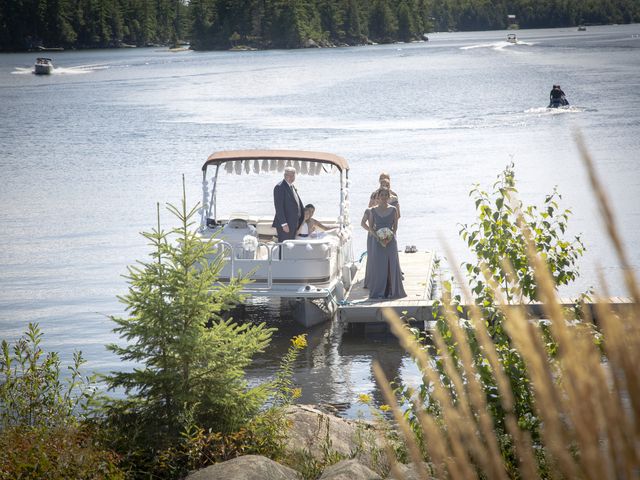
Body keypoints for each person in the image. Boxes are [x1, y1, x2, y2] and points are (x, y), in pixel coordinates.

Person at [362, 188, 406, 299]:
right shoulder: (372, 211)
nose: (384, 197)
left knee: (392, 265)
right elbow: (371, 228)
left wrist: (390, 237)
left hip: (391, 241)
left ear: (389, 196)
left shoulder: (393, 209)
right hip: (377, 241)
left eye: (386, 195)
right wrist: (379, 238)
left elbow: (395, 226)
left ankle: (393, 291)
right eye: (382, 195)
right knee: (379, 266)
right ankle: (379, 292)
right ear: (378, 197)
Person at [272, 166, 304, 242]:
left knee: (290, 247)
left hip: (293, 224)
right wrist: (284, 224)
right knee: (284, 247)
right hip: (286, 225)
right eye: (288, 175)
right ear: (284, 175)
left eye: (292, 175)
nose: (290, 177)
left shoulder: (291, 186)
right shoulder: (280, 187)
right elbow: (279, 207)